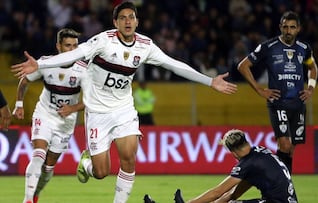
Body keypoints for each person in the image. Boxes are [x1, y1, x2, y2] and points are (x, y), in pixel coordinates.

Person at [11, 2, 237, 203]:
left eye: (131, 17)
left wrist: (209, 81)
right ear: (115, 22)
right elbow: (74, 54)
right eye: (123, 18)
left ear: (137, 21)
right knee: (101, 172)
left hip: (123, 110)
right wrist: (40, 65)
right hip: (98, 113)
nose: (127, 21)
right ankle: (87, 164)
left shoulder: (145, 45)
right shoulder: (103, 41)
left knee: (129, 160)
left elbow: (173, 64)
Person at [238, 11, 318, 174]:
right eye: (285, 27)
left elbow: (313, 68)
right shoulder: (268, 47)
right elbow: (243, 66)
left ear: (298, 29)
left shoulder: (304, 49)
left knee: (290, 149)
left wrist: (310, 88)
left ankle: (283, 184)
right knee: (285, 145)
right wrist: (259, 90)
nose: (289, 31)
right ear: (280, 27)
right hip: (278, 102)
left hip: (298, 103)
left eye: (292, 27)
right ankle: (279, 183)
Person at [12, 28, 87, 203]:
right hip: (44, 114)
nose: (72, 49)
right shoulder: (46, 63)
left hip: (66, 122)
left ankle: (36, 194)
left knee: (48, 167)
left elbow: (93, 100)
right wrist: (19, 104)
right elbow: (24, 81)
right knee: (38, 154)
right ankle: (28, 199)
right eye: (68, 45)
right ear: (58, 46)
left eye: (75, 46)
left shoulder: (84, 70)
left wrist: (73, 108)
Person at [148, 129, 298, 203]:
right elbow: (234, 194)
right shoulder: (259, 153)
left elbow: (217, 192)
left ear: (232, 152)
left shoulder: (247, 164)